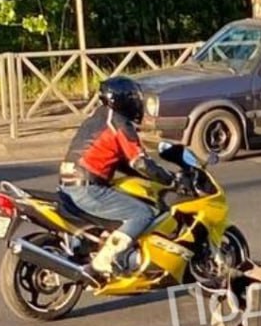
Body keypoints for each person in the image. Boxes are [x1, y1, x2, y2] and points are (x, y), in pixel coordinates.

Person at [58, 76, 183, 278]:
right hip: (88, 189)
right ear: (124, 99)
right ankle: (109, 259)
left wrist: (151, 176)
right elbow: (139, 162)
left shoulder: (96, 118)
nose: (138, 102)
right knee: (142, 214)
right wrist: (171, 180)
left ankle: (91, 248)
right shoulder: (120, 123)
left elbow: (122, 162)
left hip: (67, 185)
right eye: (135, 98)